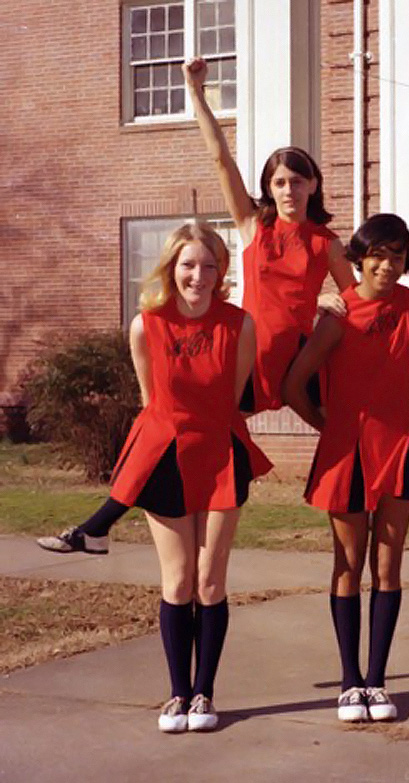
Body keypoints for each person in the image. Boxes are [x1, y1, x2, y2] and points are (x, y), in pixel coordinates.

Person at [36, 56, 355, 556]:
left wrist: (334, 300)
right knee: (169, 427)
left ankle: (403, 472)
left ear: (314, 184)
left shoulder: (327, 243)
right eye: (279, 182)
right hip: (245, 359)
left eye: (298, 180)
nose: (289, 189)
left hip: (293, 359)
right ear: (269, 189)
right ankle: (98, 527)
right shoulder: (255, 228)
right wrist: (197, 93)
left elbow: (358, 302)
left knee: (349, 419)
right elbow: (220, 158)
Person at [109, 223, 271, 732]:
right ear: (170, 267)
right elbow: (149, 401)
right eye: (188, 264)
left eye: (208, 265)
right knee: (178, 582)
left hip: (222, 455)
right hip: (168, 458)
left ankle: (205, 694)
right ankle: (178, 694)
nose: (197, 275)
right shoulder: (145, 325)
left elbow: (233, 394)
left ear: (221, 272)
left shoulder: (240, 325)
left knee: (210, 580)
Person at [283, 214, 409, 723]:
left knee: (389, 567)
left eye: (396, 255)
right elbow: (292, 385)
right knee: (349, 564)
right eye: (378, 255)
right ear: (360, 258)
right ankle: (349, 683)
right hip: (349, 451)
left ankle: (377, 682)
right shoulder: (338, 317)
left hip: (400, 445)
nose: (387, 265)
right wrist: (329, 427)